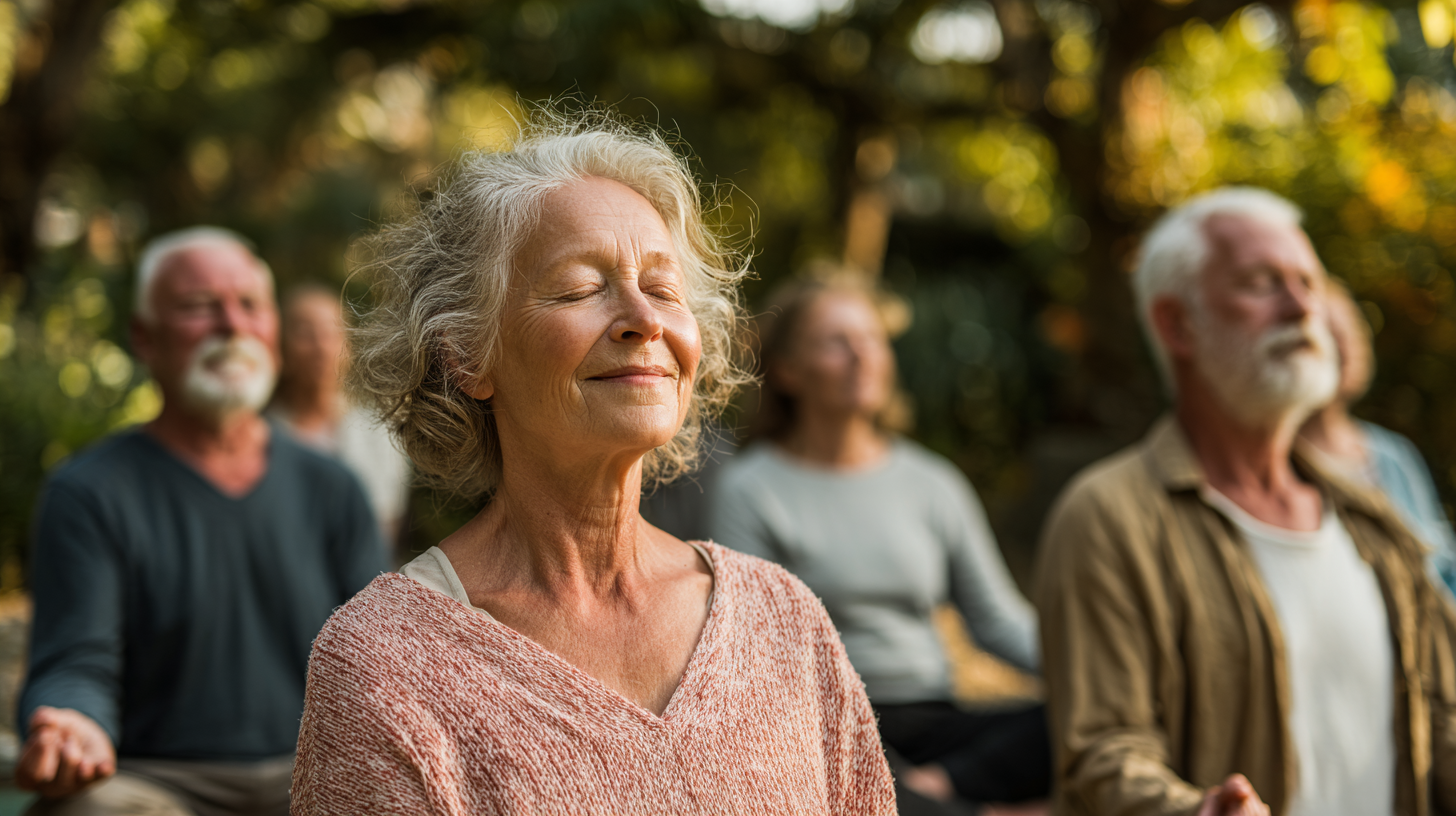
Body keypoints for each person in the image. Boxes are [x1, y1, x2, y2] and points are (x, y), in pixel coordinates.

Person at [289, 113, 897, 815]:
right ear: (467, 355)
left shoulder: (783, 619)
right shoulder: (383, 664)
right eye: (581, 289)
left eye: (664, 290)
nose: (644, 318)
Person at [1037, 187, 1456, 816]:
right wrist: (1195, 812)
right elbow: (1102, 753)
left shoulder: (1376, 522)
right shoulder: (1108, 516)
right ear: (1176, 323)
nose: (1300, 307)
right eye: (1262, 283)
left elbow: (1444, 722)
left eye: (1308, 282)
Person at [14, 228, 386, 815]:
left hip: (315, 779)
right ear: (144, 337)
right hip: (156, 784)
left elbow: (379, 660)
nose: (232, 326)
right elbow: (76, 660)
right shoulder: (87, 493)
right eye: (198, 307)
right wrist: (73, 723)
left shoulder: (333, 489)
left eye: (249, 306)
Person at [709, 278, 1048, 815]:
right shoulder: (750, 490)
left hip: (940, 721)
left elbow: (997, 621)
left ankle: (933, 791)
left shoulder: (933, 482)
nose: (862, 356)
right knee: (825, 771)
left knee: (1085, 719)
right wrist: (869, 758)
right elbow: (759, 662)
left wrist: (1098, 674)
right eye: (836, 341)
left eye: (873, 338)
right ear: (790, 371)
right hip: (827, 728)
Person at [1298, 282, 1456, 598]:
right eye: (1330, 333)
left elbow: (1446, 567)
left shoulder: (1393, 453)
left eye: (1353, 327)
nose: (1348, 345)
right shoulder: (1280, 464)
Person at [269, 285, 412, 549]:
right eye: (304, 333)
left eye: (331, 332)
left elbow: (385, 523)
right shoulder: (262, 434)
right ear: (280, 346)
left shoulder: (379, 432)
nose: (320, 346)